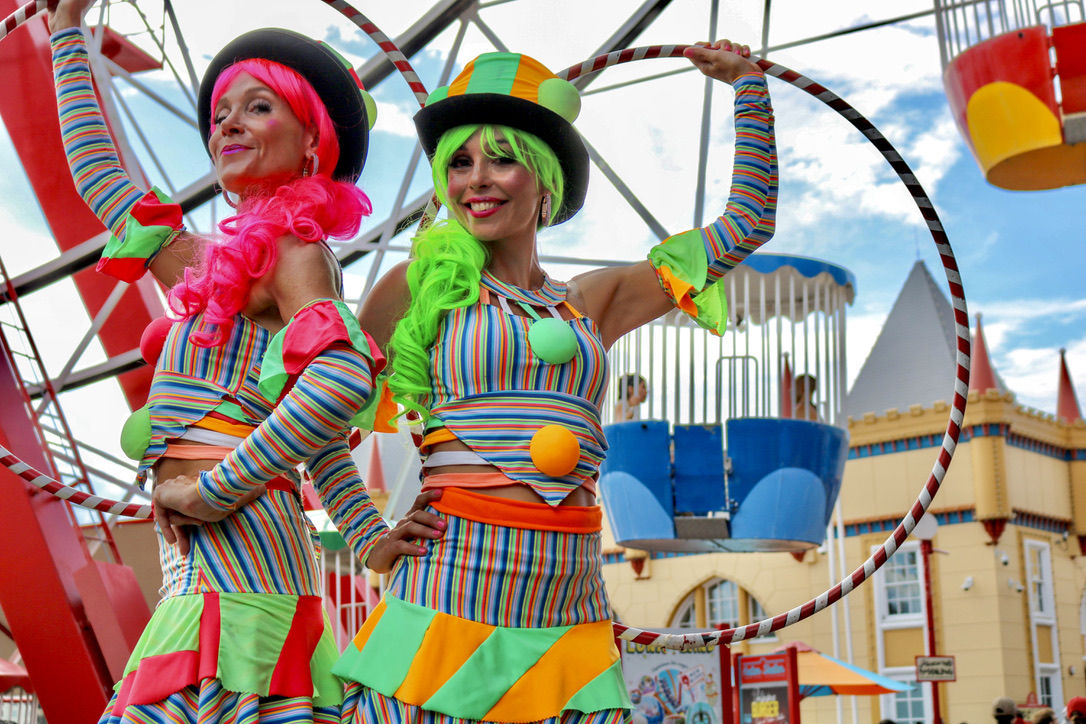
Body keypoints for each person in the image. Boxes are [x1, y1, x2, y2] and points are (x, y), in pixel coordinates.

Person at [335, 41, 777, 722]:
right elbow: (316, 423)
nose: (475, 179)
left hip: (565, 606)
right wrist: (367, 533)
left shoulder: (593, 300)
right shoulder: (416, 288)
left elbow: (748, 225)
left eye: (501, 158)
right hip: (447, 590)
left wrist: (749, 89)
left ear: (546, 183)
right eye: (459, 161)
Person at [48, 1, 442, 721]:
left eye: (257, 107)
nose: (225, 120)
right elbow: (101, 179)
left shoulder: (294, 253)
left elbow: (342, 377)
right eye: (220, 110)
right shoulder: (209, 267)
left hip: (239, 556)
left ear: (311, 144)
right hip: (212, 563)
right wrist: (67, 31)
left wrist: (212, 490)